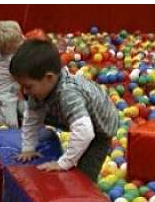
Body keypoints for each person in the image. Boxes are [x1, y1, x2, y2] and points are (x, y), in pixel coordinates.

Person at [10, 38, 119, 182]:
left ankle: (85, 198)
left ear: (49, 78)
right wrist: (28, 148)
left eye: (28, 86)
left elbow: (85, 132)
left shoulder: (68, 94)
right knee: (28, 108)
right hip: (70, 114)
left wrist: (63, 163)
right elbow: (32, 118)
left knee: (84, 176)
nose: (24, 91)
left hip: (100, 128)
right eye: (21, 86)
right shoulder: (40, 89)